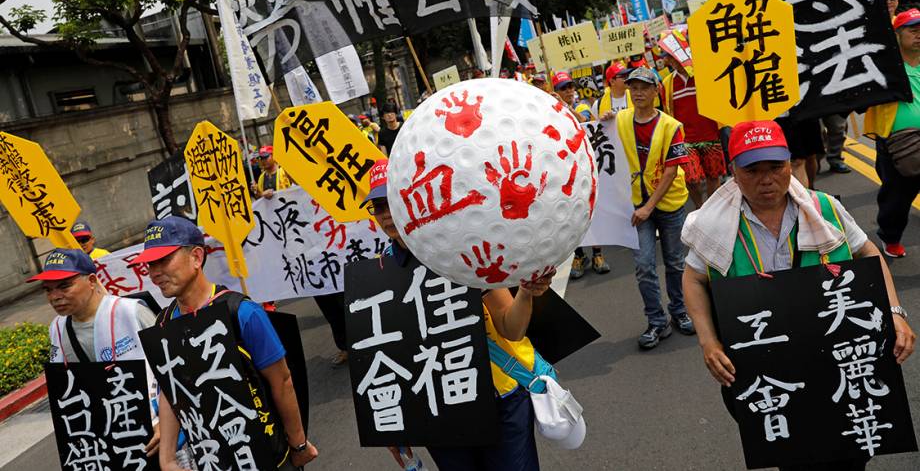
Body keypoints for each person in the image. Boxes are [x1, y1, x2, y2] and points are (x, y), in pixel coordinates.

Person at [681, 120, 915, 471]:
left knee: (852, 454)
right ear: (733, 171)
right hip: (767, 373)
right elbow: (694, 279)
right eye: (752, 170)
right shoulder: (713, 224)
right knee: (795, 458)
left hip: (837, 364)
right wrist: (708, 342)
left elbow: (869, 252)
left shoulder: (824, 210)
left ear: (789, 162)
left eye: (775, 167)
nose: (766, 180)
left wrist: (895, 311)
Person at [363, 160, 555, 470]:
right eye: (377, 206)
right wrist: (392, 426)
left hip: (500, 401)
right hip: (438, 412)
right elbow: (386, 356)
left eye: (391, 201)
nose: (385, 213)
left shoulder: (461, 249)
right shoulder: (379, 271)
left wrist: (526, 293)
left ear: (411, 199)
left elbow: (511, 327)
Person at [132, 216, 318, 470]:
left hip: (267, 454)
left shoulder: (242, 312)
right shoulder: (163, 324)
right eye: (150, 265)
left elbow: (282, 381)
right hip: (213, 460)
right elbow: (170, 389)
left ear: (197, 257)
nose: (155, 273)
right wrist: (167, 458)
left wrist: (298, 444)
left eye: (163, 260)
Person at [30, 248, 163, 460]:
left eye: (64, 286)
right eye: (48, 290)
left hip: (156, 433)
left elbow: (171, 370)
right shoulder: (56, 329)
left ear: (92, 280)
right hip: (107, 442)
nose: (55, 297)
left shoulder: (131, 313)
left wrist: (167, 423)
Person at [617, 67, 695, 349]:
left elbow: (672, 171)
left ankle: (679, 311)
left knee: (674, 262)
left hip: (669, 203)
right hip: (637, 204)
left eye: (643, 87)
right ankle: (656, 322)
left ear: (655, 91)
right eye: (633, 88)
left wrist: (649, 207)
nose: (637, 93)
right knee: (644, 265)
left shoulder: (672, 126)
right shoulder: (620, 120)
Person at [864, 8, 920, 258]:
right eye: (913, 30)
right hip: (898, 143)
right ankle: (890, 236)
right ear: (897, 34)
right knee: (896, 198)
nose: (919, 35)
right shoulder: (883, 63)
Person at [553, 71, 607, 278]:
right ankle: (579, 254)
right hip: (565, 170)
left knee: (592, 212)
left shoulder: (581, 106)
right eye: (563, 88)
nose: (568, 91)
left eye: (570, 87)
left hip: (586, 167)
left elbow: (587, 122)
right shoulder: (553, 111)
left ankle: (597, 254)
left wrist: (566, 107)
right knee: (572, 215)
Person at [660, 53, 726, 209]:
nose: (673, 61)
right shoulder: (667, 83)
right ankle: (700, 207)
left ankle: (712, 208)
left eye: (674, 56)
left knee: (713, 175)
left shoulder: (703, 75)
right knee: (691, 178)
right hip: (685, 139)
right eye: (670, 57)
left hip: (709, 133)